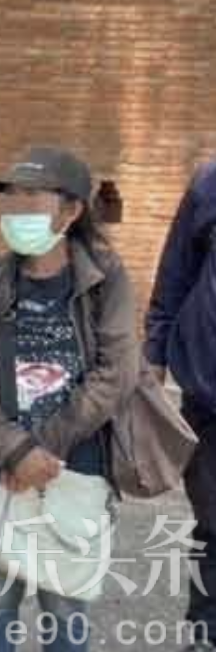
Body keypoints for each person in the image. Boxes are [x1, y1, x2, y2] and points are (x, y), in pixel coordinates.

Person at [0, 146, 139, 651]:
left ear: (71, 210)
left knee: (65, 612)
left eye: (32, 197)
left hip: (75, 473)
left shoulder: (105, 283)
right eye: (11, 197)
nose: (17, 208)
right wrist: (15, 450)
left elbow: (117, 373)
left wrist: (43, 448)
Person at [145, 160, 216, 652]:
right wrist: (155, 354)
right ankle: (206, 634)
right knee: (213, 523)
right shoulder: (209, 183)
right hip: (209, 392)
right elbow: (175, 274)